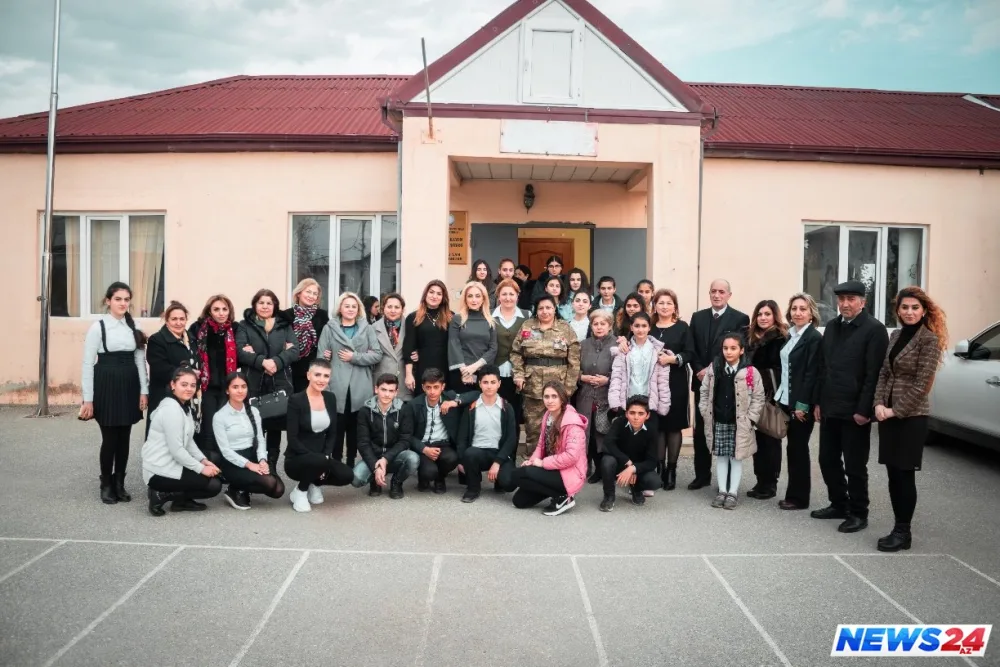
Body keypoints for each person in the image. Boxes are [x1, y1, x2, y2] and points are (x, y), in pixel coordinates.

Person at [873, 287, 948, 552]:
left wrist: (895, 410)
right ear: (898, 310)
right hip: (887, 413)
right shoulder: (895, 335)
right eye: (904, 307)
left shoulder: (929, 340)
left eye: (915, 307)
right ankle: (898, 527)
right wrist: (879, 403)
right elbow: (884, 372)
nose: (909, 312)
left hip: (911, 416)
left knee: (904, 474)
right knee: (893, 473)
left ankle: (903, 532)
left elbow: (922, 384)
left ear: (924, 310)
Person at [812, 280, 889, 533]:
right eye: (841, 299)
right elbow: (823, 367)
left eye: (851, 299)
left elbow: (873, 373)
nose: (845, 304)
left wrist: (864, 410)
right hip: (830, 407)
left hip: (855, 411)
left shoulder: (874, 330)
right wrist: (819, 402)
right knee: (827, 459)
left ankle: (858, 513)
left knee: (855, 466)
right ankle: (839, 504)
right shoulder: (832, 327)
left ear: (862, 302)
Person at [80, 281, 149, 505]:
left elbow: (140, 361)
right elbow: (87, 364)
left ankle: (120, 483)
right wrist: (88, 399)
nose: (122, 303)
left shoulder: (134, 326)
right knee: (110, 438)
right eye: (118, 299)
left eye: (126, 299)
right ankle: (106, 484)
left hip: (129, 384)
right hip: (106, 384)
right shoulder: (98, 327)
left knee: (125, 437)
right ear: (108, 301)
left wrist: (144, 391)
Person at [688, 279, 750, 490]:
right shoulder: (697, 317)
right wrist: (699, 369)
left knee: (728, 431)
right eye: (713, 291)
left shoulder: (740, 318)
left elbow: (736, 350)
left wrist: (710, 369)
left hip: (726, 384)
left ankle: (729, 480)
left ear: (729, 295)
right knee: (701, 430)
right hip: (701, 382)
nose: (717, 295)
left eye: (721, 292)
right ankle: (702, 475)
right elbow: (691, 347)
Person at [142, 367, 222, 516]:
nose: (189, 389)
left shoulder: (182, 406)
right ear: (173, 385)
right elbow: (177, 451)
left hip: (171, 462)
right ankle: (160, 494)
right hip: (158, 470)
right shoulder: (171, 410)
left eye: (192, 385)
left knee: (213, 460)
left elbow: (189, 441)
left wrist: (203, 460)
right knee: (213, 485)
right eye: (184, 384)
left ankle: (180, 502)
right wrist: (201, 468)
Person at [510, 294, 581, 459]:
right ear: (536, 310)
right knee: (533, 428)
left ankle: (555, 464)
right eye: (541, 308)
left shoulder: (565, 328)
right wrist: (519, 375)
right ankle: (532, 463)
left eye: (548, 307)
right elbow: (516, 353)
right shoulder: (527, 326)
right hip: (532, 387)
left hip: (558, 388)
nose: (545, 311)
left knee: (558, 428)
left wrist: (568, 388)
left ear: (555, 309)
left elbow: (574, 361)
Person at [699, 333, 764, 510]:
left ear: (741, 350)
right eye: (725, 348)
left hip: (739, 423)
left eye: (733, 348)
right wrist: (705, 411)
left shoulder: (750, 372)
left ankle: (732, 492)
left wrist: (750, 419)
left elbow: (758, 398)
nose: (729, 352)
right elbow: (704, 391)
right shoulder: (714, 368)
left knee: (736, 457)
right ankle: (722, 491)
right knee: (721, 456)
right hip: (719, 420)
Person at [318, 292, 382, 466]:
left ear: (359, 309)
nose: (350, 309)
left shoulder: (367, 328)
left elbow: (377, 354)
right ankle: (336, 462)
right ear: (340, 308)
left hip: (360, 384)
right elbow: (321, 358)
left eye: (354, 306)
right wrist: (326, 357)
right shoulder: (329, 328)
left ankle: (351, 462)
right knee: (337, 427)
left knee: (355, 427)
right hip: (336, 383)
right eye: (347, 306)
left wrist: (355, 357)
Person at [237, 289, 299, 470]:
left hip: (279, 381)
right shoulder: (244, 325)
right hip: (253, 382)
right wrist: (262, 362)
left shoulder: (284, 325)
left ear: (275, 306)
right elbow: (239, 351)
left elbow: (294, 351)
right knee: (254, 425)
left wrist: (276, 362)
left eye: (269, 303)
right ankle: (255, 465)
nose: (265, 306)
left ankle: (271, 466)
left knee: (275, 425)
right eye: (261, 303)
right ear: (255, 305)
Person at [774, 293, 824, 511]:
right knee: (792, 449)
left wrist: (803, 405)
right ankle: (792, 494)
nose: (798, 313)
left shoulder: (813, 338)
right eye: (794, 308)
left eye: (803, 309)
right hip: (786, 399)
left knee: (798, 450)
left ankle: (799, 498)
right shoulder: (791, 335)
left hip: (801, 404)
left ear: (811, 313)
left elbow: (812, 374)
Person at [284, 360, 354, 512]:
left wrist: (326, 455)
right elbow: (292, 438)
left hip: (322, 456)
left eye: (326, 376)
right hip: (297, 458)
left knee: (347, 475)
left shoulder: (330, 398)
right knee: (318, 462)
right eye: (317, 375)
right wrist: (319, 461)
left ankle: (314, 483)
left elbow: (332, 433)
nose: (322, 380)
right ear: (308, 375)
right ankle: (300, 491)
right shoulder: (296, 400)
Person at [511, 381, 588, 516]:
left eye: (554, 396)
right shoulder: (548, 415)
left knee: (519, 474)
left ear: (562, 398)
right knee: (519, 501)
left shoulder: (572, 423)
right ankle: (559, 495)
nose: (550, 401)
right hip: (552, 468)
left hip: (569, 473)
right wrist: (532, 461)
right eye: (546, 397)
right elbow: (541, 445)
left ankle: (565, 496)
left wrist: (541, 463)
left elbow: (571, 457)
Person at [214, 372, 285, 510]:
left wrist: (262, 460)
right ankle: (235, 488)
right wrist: (249, 465)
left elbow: (260, 439)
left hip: (253, 455)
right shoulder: (220, 416)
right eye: (235, 387)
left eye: (243, 386)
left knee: (278, 490)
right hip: (232, 462)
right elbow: (225, 451)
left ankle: (241, 488)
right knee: (270, 483)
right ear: (227, 390)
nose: (240, 390)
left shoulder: (254, 411)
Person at [648, 288, 694, 490]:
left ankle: (671, 470)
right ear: (654, 306)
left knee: (674, 426)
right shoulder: (649, 327)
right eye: (661, 303)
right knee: (658, 425)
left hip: (676, 381)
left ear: (675, 307)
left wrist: (673, 359)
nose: (664, 306)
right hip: (653, 382)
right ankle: (659, 467)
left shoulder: (682, 327)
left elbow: (690, 353)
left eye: (669, 303)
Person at [609, 313, 671, 460]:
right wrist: (615, 401)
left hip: (649, 402)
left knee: (649, 441)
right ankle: (627, 468)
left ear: (649, 328)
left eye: (644, 326)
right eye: (637, 326)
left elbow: (663, 381)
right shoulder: (624, 350)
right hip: (628, 400)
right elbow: (616, 377)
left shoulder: (658, 351)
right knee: (627, 441)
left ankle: (648, 470)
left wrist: (664, 403)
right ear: (631, 327)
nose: (640, 329)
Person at [406, 368, 479, 493]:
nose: (432, 392)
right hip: (424, 445)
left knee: (452, 458)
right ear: (423, 387)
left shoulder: (449, 397)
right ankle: (425, 476)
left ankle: (440, 478)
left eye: (436, 387)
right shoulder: (414, 405)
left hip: (443, 445)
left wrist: (455, 402)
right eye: (428, 387)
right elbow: (407, 435)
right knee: (429, 472)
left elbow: (476, 394)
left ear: (443, 386)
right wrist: (424, 449)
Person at [745, 299, 789, 501]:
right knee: (758, 440)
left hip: (771, 396)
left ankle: (770, 483)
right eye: (760, 314)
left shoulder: (781, 338)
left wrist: (757, 375)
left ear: (774, 316)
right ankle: (760, 480)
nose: (763, 318)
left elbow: (782, 369)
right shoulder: (750, 337)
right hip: (752, 396)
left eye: (767, 314)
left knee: (771, 439)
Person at [456, 365, 519, 502]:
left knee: (509, 483)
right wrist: (461, 460)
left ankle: (499, 481)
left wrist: (497, 463)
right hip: (478, 453)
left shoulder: (507, 407)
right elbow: (462, 438)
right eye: (485, 382)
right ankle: (473, 488)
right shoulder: (471, 408)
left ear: (499, 384)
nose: (489, 386)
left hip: (499, 453)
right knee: (470, 453)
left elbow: (511, 439)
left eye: (493, 382)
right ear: (480, 384)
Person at [352, 373, 419, 499]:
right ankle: (374, 479)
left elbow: (405, 440)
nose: (387, 394)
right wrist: (375, 466)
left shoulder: (404, 410)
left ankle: (396, 483)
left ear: (396, 392)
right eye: (383, 390)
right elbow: (363, 442)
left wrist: (385, 459)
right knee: (356, 479)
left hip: (394, 456)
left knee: (413, 458)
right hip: (373, 456)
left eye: (391, 391)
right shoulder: (365, 411)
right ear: (376, 389)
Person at [189, 294, 239, 455]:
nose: (221, 313)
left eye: (224, 309)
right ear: (209, 311)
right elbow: (190, 352)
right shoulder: (198, 328)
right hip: (206, 387)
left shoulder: (236, 329)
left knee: (226, 429)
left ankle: (225, 464)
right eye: (216, 309)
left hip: (228, 387)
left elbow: (242, 354)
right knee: (209, 428)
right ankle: (209, 464)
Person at [145, 301, 197, 438]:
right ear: (167, 321)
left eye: (182, 319)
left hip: (187, 396)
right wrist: (188, 374)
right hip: (164, 395)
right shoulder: (156, 340)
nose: (178, 323)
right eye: (174, 319)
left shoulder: (191, 339)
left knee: (184, 436)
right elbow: (160, 368)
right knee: (163, 437)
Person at [599, 396, 661, 511]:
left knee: (654, 481)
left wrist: (633, 468)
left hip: (638, 466)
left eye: (641, 413)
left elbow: (652, 462)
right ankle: (609, 496)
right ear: (626, 414)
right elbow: (608, 443)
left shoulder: (652, 430)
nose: (636, 417)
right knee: (607, 461)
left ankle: (636, 490)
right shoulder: (619, 423)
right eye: (632, 413)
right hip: (619, 462)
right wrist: (627, 462)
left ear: (647, 415)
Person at [577, 310, 615, 483]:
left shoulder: (617, 344)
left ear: (610, 325)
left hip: (606, 395)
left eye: (603, 324)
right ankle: (586, 466)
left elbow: (623, 371)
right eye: (595, 324)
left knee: (603, 432)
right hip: (585, 395)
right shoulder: (583, 345)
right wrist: (582, 377)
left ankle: (603, 469)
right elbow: (572, 368)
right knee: (587, 432)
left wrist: (608, 379)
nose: (599, 327)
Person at [403, 280, 452, 396]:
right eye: (431, 292)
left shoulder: (451, 317)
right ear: (425, 294)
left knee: (445, 401)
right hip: (422, 367)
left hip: (445, 367)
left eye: (439, 294)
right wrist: (409, 374)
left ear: (443, 298)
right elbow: (408, 347)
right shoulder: (413, 317)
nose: (434, 296)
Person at [281, 278, 330, 394]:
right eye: (308, 292)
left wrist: (329, 350)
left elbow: (328, 338)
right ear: (299, 293)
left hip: (315, 367)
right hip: (292, 366)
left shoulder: (322, 315)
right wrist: (283, 346)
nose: (311, 296)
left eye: (315, 294)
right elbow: (279, 338)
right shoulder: (286, 315)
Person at [491, 279, 528, 429]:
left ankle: (513, 445)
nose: (508, 298)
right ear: (498, 296)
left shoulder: (527, 315)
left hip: (518, 374)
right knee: (495, 415)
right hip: (495, 372)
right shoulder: (489, 315)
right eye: (504, 294)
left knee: (514, 416)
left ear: (517, 296)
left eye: (511, 294)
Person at [448, 281, 498, 390]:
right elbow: (453, 344)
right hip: (461, 373)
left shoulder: (490, 321)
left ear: (483, 298)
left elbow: (493, 348)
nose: (474, 300)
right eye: (470, 296)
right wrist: (465, 371)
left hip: (484, 374)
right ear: (465, 299)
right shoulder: (457, 319)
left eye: (477, 296)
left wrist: (474, 367)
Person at [372, 293, 411, 401]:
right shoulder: (373, 328)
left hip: (404, 381)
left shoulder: (411, 326)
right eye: (389, 307)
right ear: (383, 308)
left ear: (402, 309)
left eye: (397, 307)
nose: (393, 310)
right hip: (381, 379)